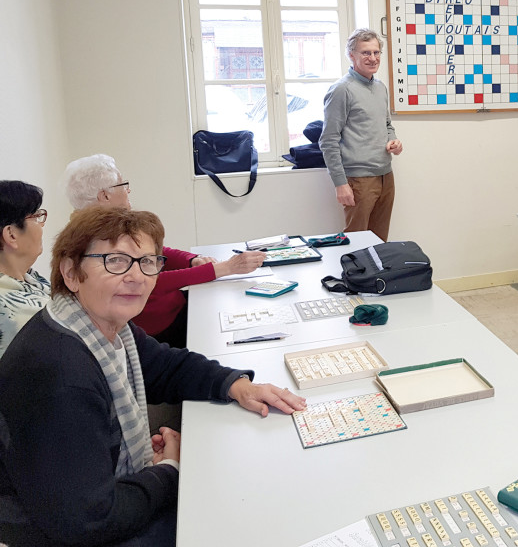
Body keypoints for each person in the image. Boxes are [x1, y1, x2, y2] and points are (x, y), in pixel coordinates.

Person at [0, 206, 306, 547]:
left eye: (148, 262)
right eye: (115, 261)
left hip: (81, 503)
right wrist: (168, 472)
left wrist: (236, 384)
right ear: (71, 273)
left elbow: (164, 365)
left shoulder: (99, 325)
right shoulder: (62, 376)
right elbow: (89, 520)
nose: (138, 276)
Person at [63, 154, 264, 347]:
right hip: (161, 329)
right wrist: (225, 268)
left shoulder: (109, 225)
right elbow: (149, 281)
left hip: (174, 308)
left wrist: (192, 260)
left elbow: (157, 253)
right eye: (123, 185)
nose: (128, 191)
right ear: (105, 195)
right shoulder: (95, 238)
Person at [321, 28, 404, 241]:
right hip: (358, 181)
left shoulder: (380, 88)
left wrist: (392, 140)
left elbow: (386, 124)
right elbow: (328, 140)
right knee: (355, 245)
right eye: (366, 53)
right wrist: (340, 184)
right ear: (352, 55)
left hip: (386, 176)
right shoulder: (342, 90)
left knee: (379, 242)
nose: (373, 58)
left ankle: (377, 277)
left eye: (376, 53)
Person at [0, 181, 50, 359]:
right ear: (11, 234)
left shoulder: (33, 279)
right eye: (36, 217)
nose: (41, 225)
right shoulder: (12, 311)